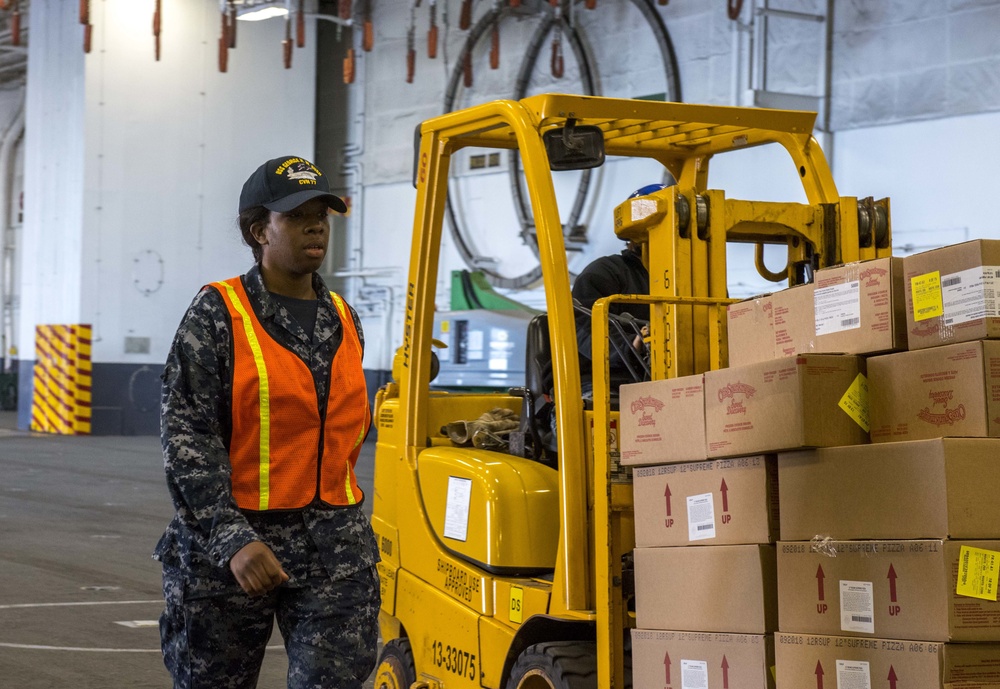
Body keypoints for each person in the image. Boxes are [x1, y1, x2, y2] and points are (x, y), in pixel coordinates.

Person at [155, 155, 380, 688]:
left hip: (334, 551)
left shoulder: (345, 318)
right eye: (296, 214)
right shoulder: (218, 312)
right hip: (234, 551)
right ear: (259, 231)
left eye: (322, 213)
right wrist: (232, 539)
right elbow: (186, 434)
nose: (316, 224)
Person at [572, 183, 672, 398]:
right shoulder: (603, 273)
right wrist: (632, 344)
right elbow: (586, 329)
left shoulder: (698, 276)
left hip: (677, 375)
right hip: (611, 379)